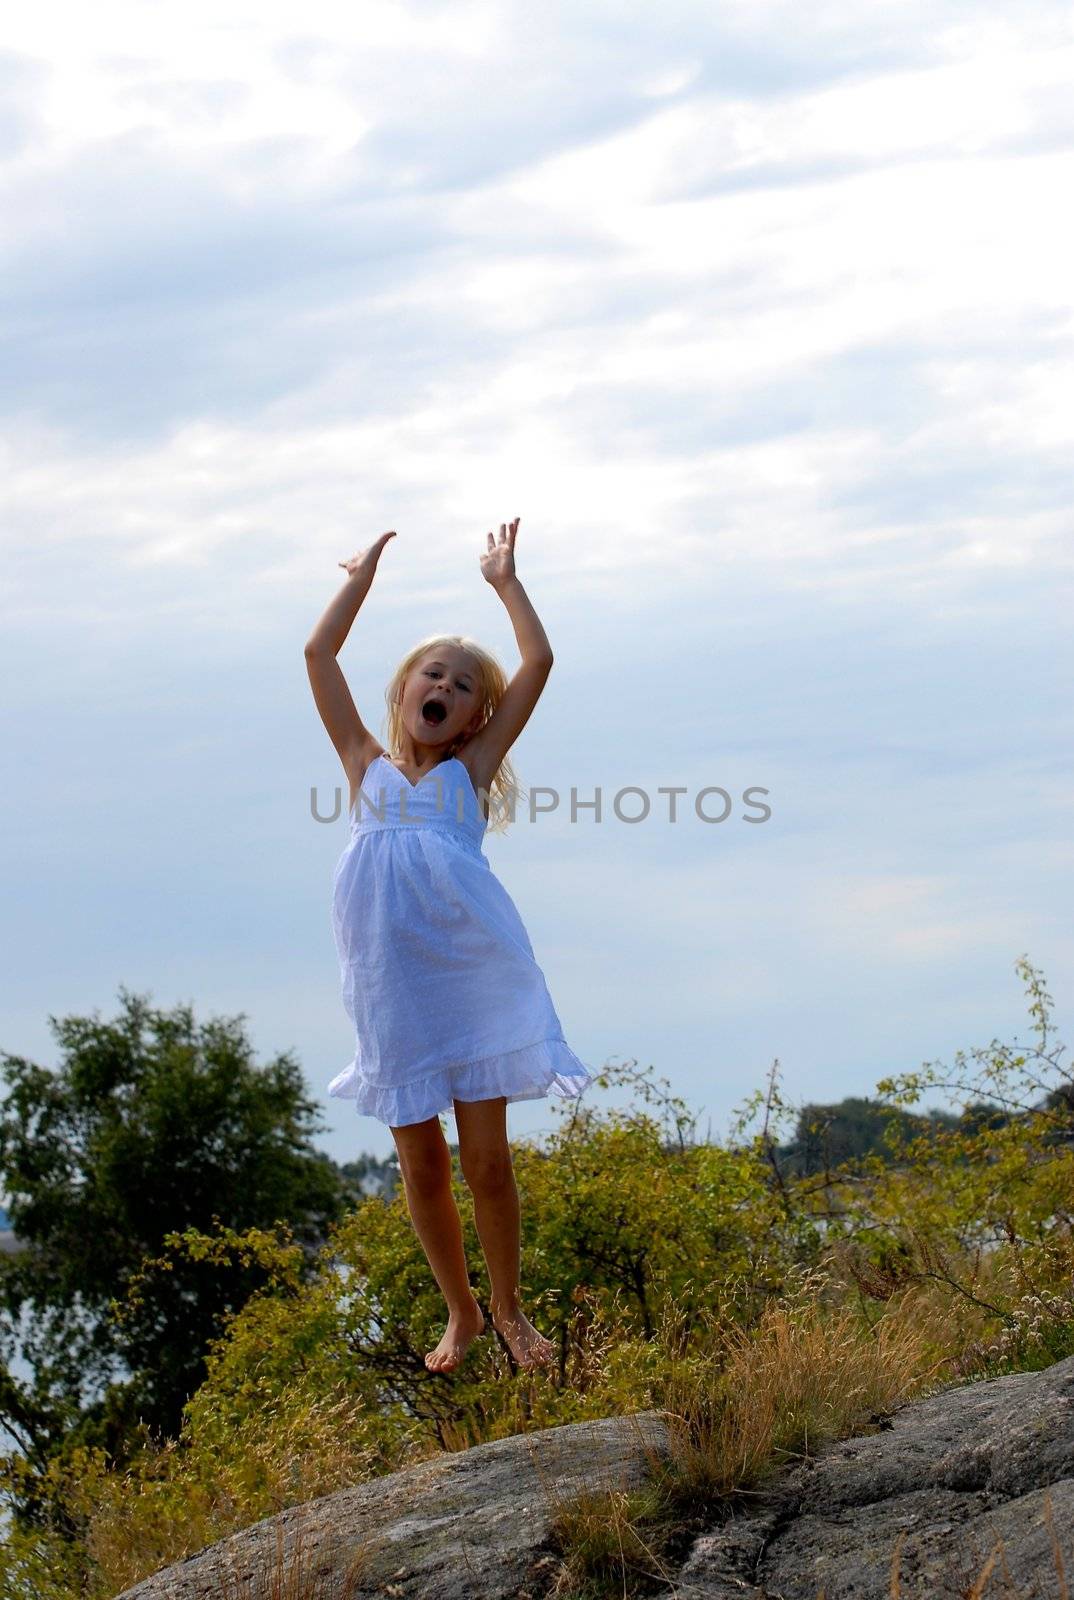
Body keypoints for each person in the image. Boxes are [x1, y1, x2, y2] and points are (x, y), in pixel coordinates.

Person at [304, 517, 594, 1374]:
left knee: (486, 1161)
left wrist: (505, 583)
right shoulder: (366, 769)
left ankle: (509, 1310)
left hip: (468, 982)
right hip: (392, 993)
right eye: (432, 673)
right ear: (404, 692)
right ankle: (460, 1313)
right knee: (422, 1165)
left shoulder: (467, 776)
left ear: (474, 721)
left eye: (464, 684)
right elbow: (319, 659)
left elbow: (536, 664)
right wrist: (358, 581)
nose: (445, 685)